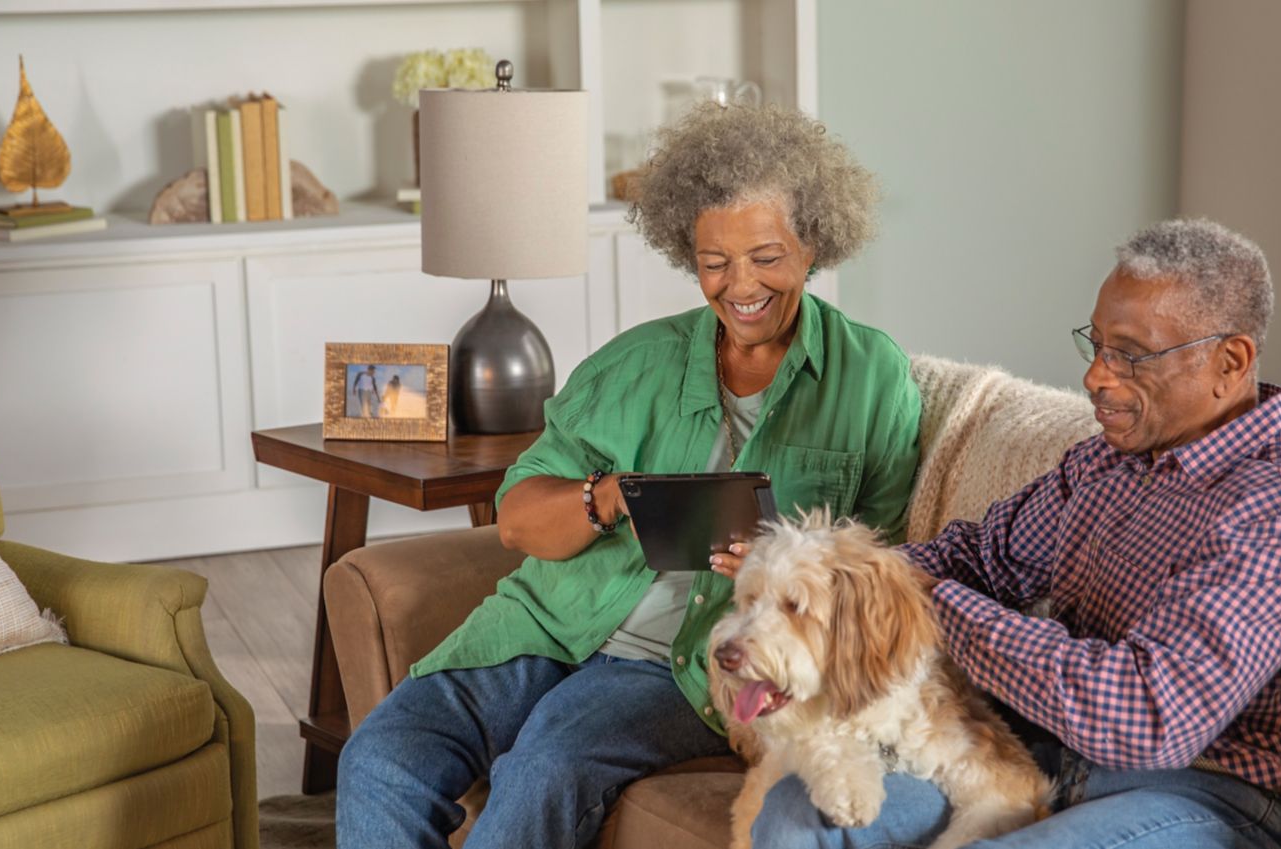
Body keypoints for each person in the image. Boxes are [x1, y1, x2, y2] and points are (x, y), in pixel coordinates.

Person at [336, 102, 923, 849]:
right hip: (543, 625)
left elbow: (888, 568)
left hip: (682, 666)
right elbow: (516, 519)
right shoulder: (633, 361)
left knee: (543, 768)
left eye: (766, 256)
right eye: (714, 262)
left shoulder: (873, 378)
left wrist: (781, 572)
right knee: (380, 758)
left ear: (813, 245)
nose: (739, 284)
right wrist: (604, 497)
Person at [718, 219, 1281, 849]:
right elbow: (977, 557)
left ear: (1230, 360)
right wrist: (839, 580)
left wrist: (911, 598)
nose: (1095, 377)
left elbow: (1145, 716)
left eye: (1130, 355)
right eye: (1097, 345)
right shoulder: (1103, 461)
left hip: (1200, 793)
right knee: (796, 819)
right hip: (1037, 747)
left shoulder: (1280, 509)